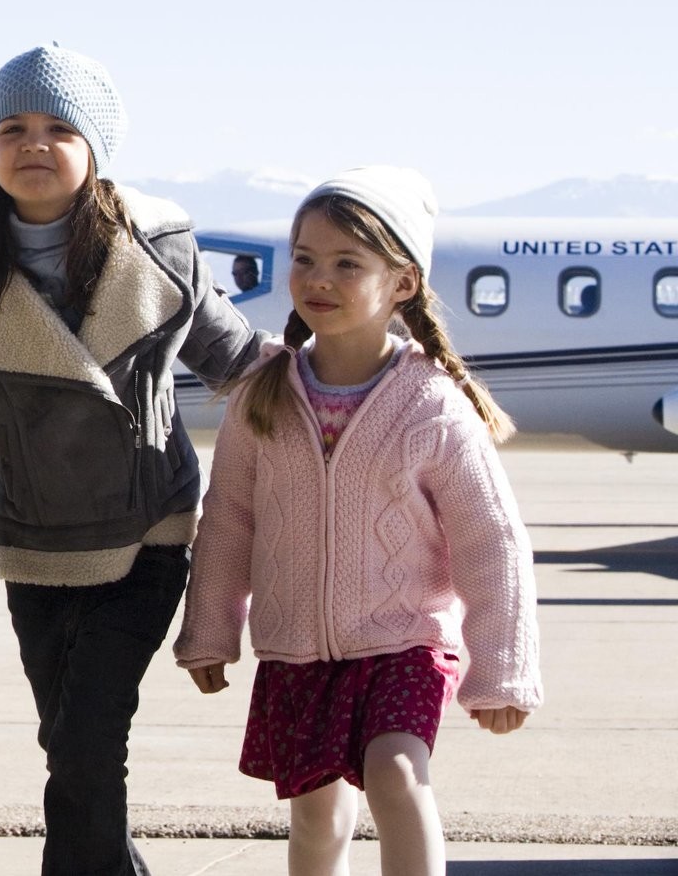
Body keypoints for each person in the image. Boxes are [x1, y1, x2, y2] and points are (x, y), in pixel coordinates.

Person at [0, 44, 266, 876]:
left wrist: (361, 379)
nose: (32, 143)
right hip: (34, 547)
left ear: (97, 147)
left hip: (146, 538)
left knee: (89, 747)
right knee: (70, 750)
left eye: (59, 127)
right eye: (12, 127)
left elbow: (239, 364)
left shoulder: (161, 245)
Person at [175, 168, 541, 876]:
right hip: (296, 649)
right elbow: (228, 522)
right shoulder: (265, 392)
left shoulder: (432, 405)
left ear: (402, 282)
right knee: (317, 818)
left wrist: (502, 665)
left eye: (348, 263)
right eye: (306, 258)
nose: (320, 277)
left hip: (405, 643)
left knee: (397, 775)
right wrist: (210, 630)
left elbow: (491, 541)